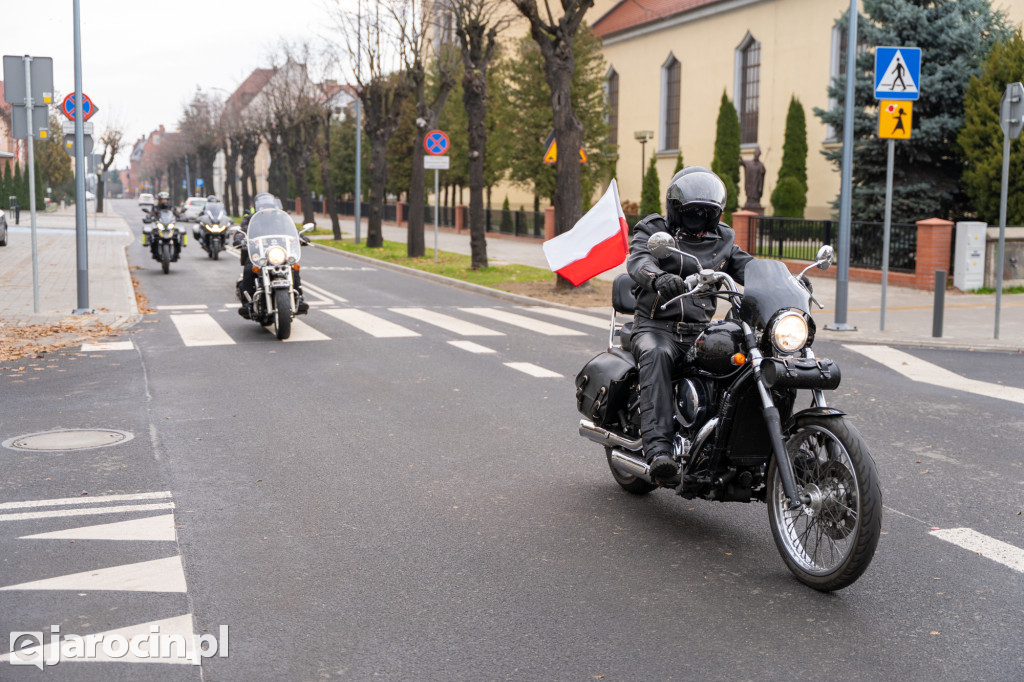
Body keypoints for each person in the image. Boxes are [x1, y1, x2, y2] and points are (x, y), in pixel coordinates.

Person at [626, 166, 754, 483]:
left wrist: (783, 281)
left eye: (705, 213)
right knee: (657, 356)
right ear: (676, 209)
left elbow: (747, 265)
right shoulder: (654, 229)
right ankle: (659, 453)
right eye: (691, 212)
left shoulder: (722, 238)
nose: (697, 218)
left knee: (746, 360)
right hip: (656, 327)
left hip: (699, 332)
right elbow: (639, 260)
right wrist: (659, 278)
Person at [237, 205, 309, 319]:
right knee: (249, 268)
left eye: (269, 206)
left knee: (293, 267)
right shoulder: (252, 219)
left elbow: (293, 230)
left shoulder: (281, 219)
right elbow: (243, 230)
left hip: (279, 251)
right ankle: (247, 303)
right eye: (265, 206)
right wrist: (239, 237)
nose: (267, 209)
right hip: (259, 252)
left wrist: (301, 236)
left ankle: (298, 298)